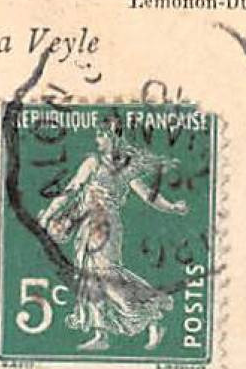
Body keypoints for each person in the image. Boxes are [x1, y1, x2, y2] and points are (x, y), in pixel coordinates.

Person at [38, 127, 187, 352]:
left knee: (108, 276)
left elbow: (148, 195)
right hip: (87, 224)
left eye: (102, 135)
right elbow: (71, 191)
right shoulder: (92, 162)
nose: (97, 139)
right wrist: (49, 214)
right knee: (89, 277)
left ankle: (152, 316)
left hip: (107, 227)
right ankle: (101, 334)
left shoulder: (125, 169)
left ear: (114, 137)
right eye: (98, 135)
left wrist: (172, 207)